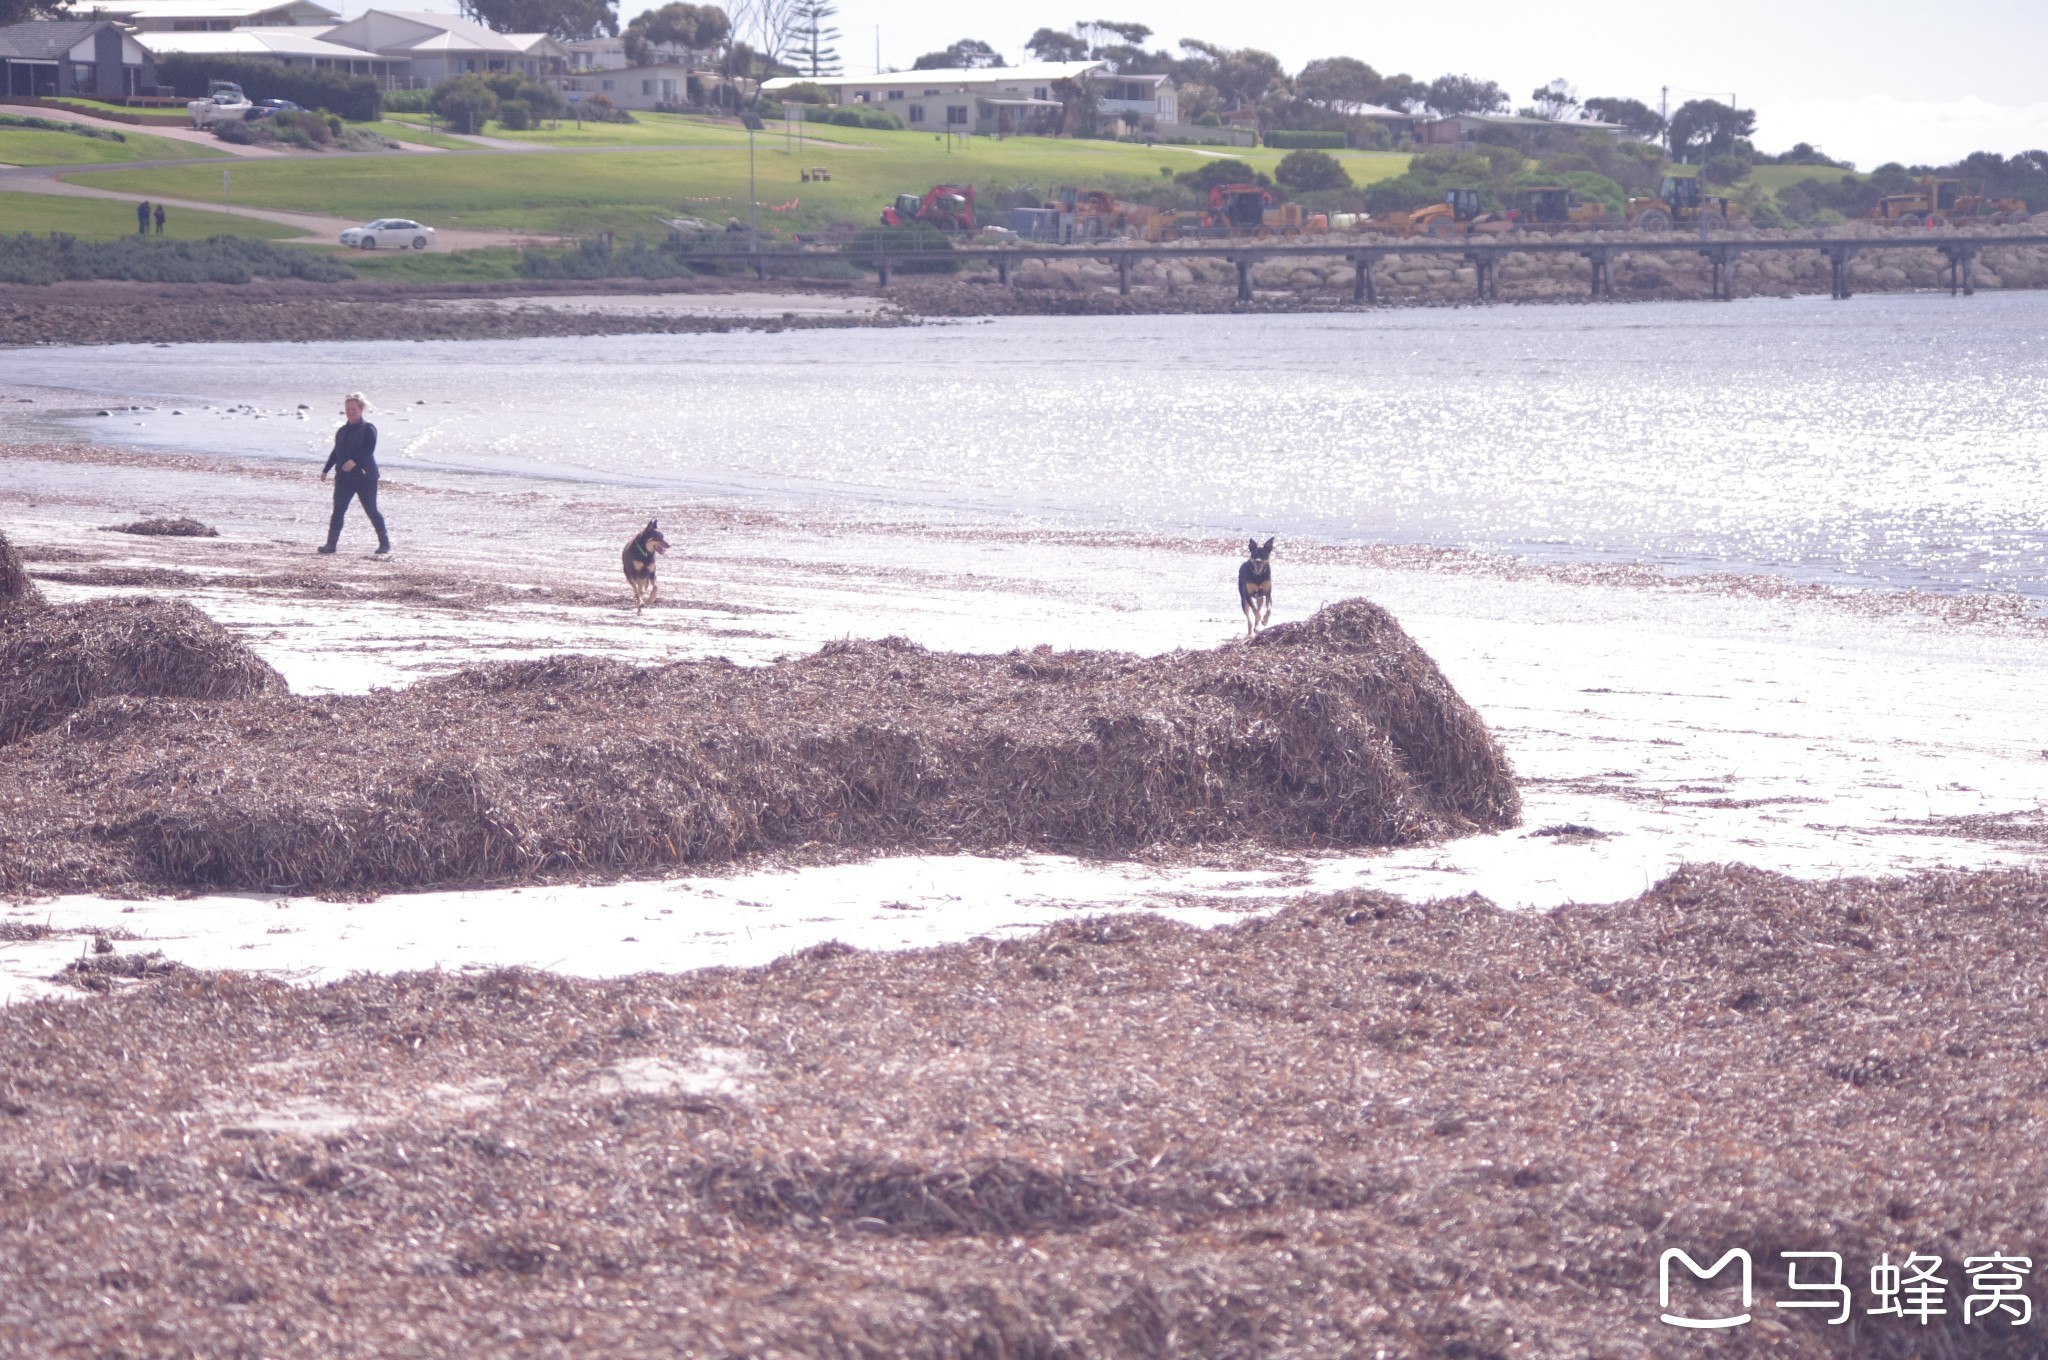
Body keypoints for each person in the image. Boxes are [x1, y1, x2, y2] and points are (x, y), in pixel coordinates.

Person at [318, 392, 390, 555]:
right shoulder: (342, 431)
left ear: (361, 408)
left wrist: (354, 461)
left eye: (353, 408)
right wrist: (326, 469)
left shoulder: (368, 429)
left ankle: (384, 543)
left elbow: (369, 450)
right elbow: (336, 452)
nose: (350, 411)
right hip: (344, 478)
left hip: (366, 477)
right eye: (347, 408)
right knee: (338, 510)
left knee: (371, 510)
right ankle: (331, 545)